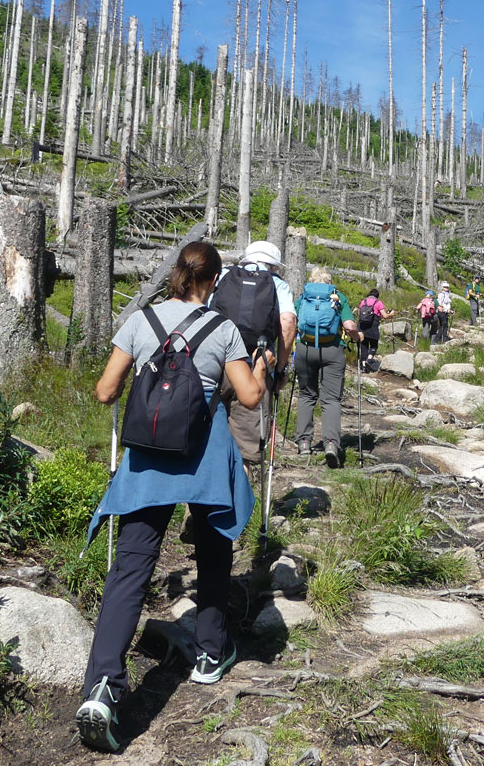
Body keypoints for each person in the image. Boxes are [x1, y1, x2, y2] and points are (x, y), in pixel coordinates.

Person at [77, 242, 273, 753]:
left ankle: (102, 686)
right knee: (212, 552)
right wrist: (262, 365)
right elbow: (249, 396)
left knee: (130, 568)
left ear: (177, 275)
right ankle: (210, 652)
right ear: (212, 282)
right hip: (202, 459)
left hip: (148, 460)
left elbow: (104, 391)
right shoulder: (223, 329)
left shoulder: (141, 321)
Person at [209, 240, 296, 468]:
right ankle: (238, 500)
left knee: (205, 443)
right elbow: (287, 323)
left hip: (215, 363)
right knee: (244, 451)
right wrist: (280, 368)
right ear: (274, 266)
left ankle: (201, 501)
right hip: (254, 366)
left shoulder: (222, 276)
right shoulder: (277, 284)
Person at [294, 266, 363, 467]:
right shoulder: (337, 296)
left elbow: (293, 320)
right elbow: (349, 326)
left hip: (305, 349)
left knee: (306, 395)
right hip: (332, 350)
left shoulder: (304, 297)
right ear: (329, 281)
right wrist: (357, 336)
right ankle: (331, 444)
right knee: (331, 399)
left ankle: (304, 442)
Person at [356, 287, 394, 371]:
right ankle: (369, 360)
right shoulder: (378, 302)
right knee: (374, 345)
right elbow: (384, 315)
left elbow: (359, 313)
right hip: (372, 326)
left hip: (362, 326)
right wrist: (391, 314)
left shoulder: (363, 301)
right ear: (377, 296)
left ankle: (363, 367)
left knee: (364, 346)